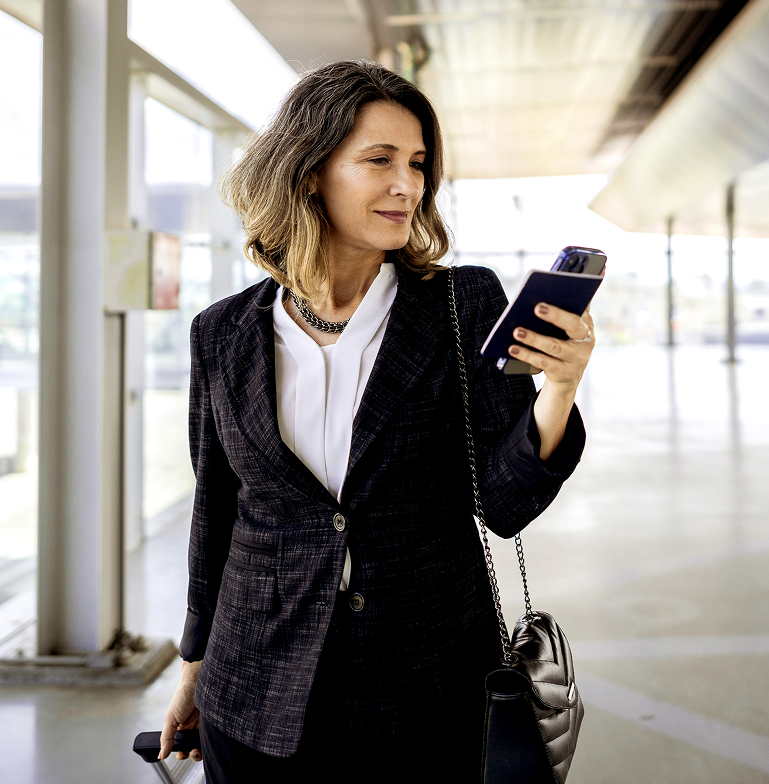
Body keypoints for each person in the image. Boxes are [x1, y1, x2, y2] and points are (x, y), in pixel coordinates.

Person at [159, 59, 593, 783]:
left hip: (426, 687)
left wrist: (560, 390)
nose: (409, 185)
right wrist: (193, 671)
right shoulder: (222, 333)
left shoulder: (462, 305)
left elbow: (508, 505)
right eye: (380, 160)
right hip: (255, 691)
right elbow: (218, 515)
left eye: (419, 164)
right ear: (308, 173)